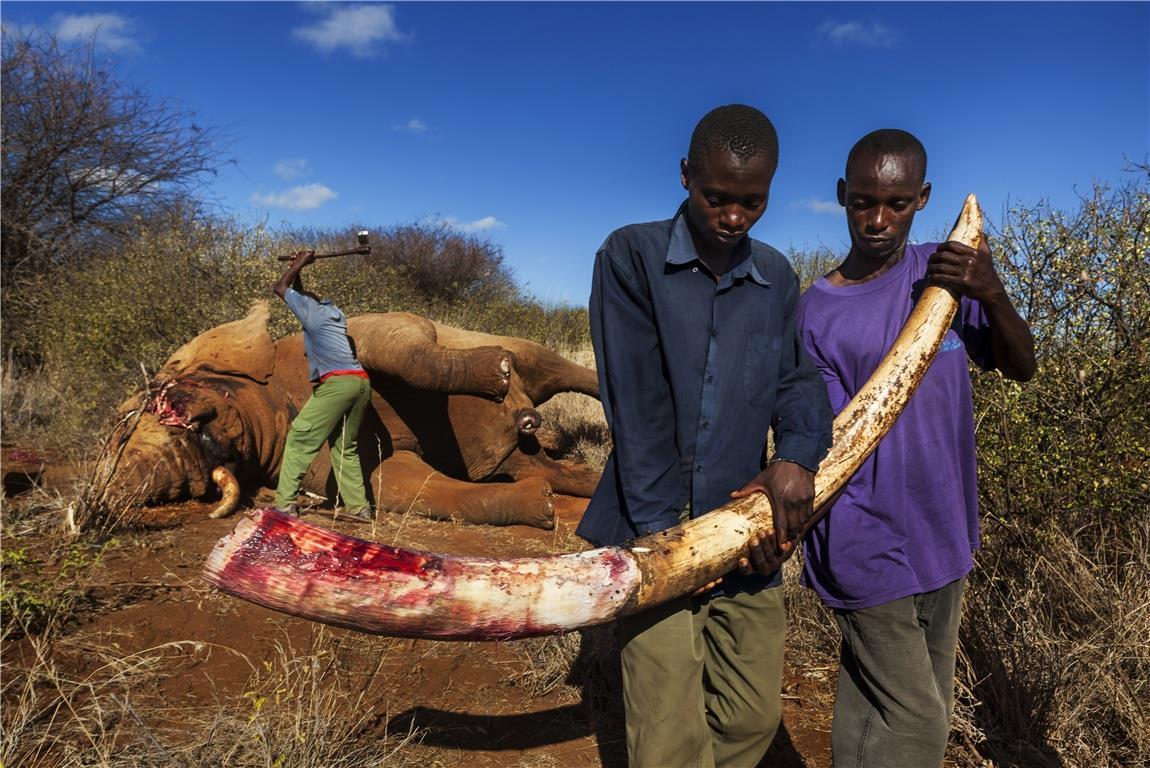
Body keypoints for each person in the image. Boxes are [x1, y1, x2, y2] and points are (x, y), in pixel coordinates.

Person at [577, 104, 834, 767]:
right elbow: (637, 412)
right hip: (654, 526)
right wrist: (672, 543)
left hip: (748, 532)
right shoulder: (630, 256)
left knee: (751, 717)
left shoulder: (776, 276)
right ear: (686, 175)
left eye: (752, 201)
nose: (732, 216)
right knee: (667, 733)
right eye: (716, 196)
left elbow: (796, 381)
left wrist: (797, 459)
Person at [795, 129, 1036, 768]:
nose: (878, 220)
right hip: (860, 536)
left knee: (878, 701)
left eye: (896, 203)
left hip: (944, 531)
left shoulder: (948, 274)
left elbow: (1022, 365)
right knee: (921, 724)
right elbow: (820, 436)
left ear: (922, 198)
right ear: (842, 196)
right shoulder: (814, 313)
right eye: (864, 202)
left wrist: (993, 291)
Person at [272, 249, 374, 521]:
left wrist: (300, 263)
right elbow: (301, 297)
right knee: (344, 447)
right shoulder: (331, 314)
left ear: (305, 308)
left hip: (338, 385)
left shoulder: (312, 315)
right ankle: (359, 508)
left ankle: (283, 505)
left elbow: (280, 287)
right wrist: (299, 269)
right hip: (360, 383)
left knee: (299, 439)